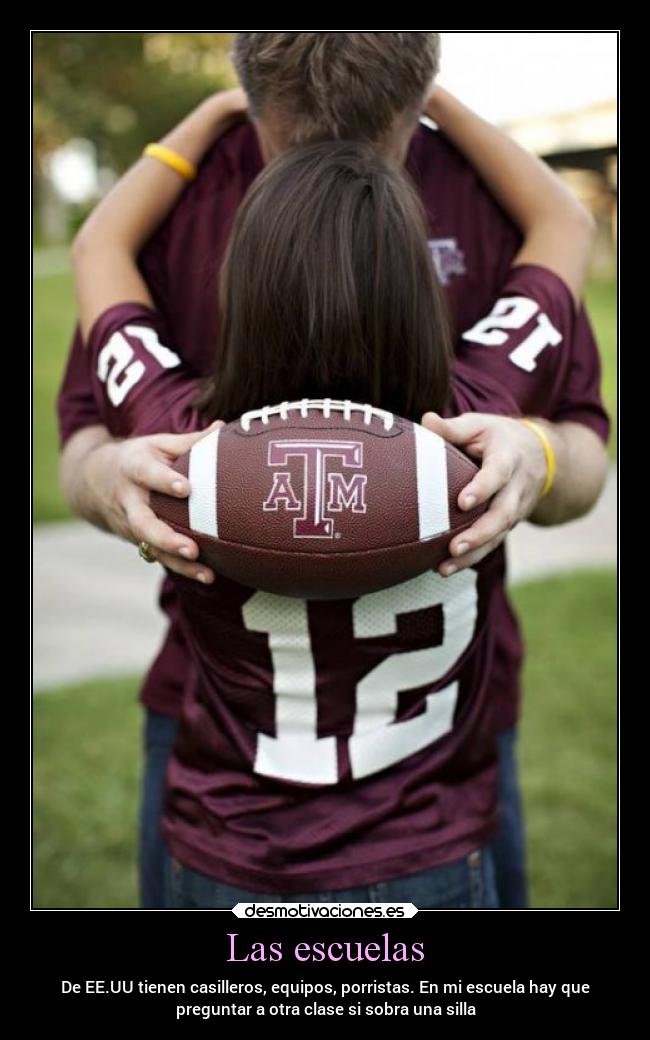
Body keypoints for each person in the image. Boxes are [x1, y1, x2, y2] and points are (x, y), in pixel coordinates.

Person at [58, 33, 609, 907]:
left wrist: (205, 112)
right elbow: (567, 224)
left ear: (234, 290)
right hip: (429, 825)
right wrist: (445, 102)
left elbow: (97, 252)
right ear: (432, 302)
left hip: (227, 831)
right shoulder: (474, 426)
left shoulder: (183, 445)